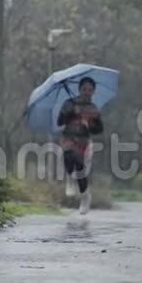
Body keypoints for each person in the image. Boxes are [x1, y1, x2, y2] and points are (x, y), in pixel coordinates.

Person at [57, 76, 104, 215]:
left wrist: (89, 124)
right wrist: (71, 112)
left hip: (84, 141)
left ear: (93, 92)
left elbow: (99, 129)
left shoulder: (93, 108)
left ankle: (85, 198)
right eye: (84, 89)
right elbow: (60, 122)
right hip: (68, 138)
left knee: (81, 169)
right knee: (70, 157)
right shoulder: (69, 103)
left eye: (90, 90)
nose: (87, 92)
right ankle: (70, 180)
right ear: (79, 89)